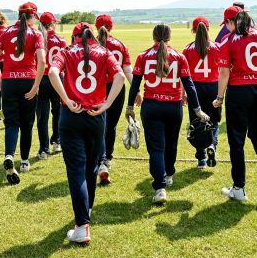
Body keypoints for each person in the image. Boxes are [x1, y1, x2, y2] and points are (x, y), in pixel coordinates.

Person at [48, 22, 125, 244]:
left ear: (74, 38)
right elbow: (119, 77)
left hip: (72, 115)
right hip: (95, 115)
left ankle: (82, 225)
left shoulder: (66, 51)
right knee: (91, 168)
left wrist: (66, 99)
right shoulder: (105, 51)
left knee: (76, 171)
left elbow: (53, 72)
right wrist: (107, 104)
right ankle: (86, 213)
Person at [125, 24, 209, 204]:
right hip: (173, 107)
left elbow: (135, 85)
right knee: (171, 144)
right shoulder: (179, 57)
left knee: (156, 148)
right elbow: (190, 86)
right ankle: (169, 173)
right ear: (169, 37)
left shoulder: (143, 56)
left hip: (152, 106)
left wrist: (129, 106)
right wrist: (197, 109)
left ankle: (160, 187)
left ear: (153, 36)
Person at [0, 2, 46, 184]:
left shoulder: (5, 32)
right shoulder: (36, 33)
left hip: (9, 82)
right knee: (27, 124)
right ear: (33, 16)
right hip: (28, 81)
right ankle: (23, 161)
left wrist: (0, 79)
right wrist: (36, 85)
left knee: (12, 123)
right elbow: (42, 62)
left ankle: (8, 155)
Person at [213, 9, 257, 201]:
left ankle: (239, 188)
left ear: (232, 22)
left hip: (239, 92)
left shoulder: (229, 40)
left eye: (227, 24)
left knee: (237, 142)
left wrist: (219, 97)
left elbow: (224, 73)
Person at [93, 14, 139, 184]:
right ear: (111, 27)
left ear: (96, 27)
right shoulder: (120, 45)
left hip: (97, 88)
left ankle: (99, 158)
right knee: (110, 125)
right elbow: (127, 71)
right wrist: (137, 91)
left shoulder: (92, 44)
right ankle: (108, 157)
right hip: (117, 88)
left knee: (98, 124)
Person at [182, 16, 220, 168]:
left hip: (194, 88)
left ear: (193, 30)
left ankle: (201, 159)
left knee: (197, 122)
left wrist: (183, 93)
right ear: (208, 29)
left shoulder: (187, 49)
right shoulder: (217, 47)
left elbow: (184, 75)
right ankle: (212, 145)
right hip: (213, 86)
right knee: (214, 121)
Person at [36, 11, 67, 159]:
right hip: (56, 78)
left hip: (41, 78)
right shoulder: (60, 39)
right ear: (52, 24)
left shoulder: (36, 37)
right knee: (58, 112)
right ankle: (56, 141)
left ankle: (43, 149)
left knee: (42, 116)